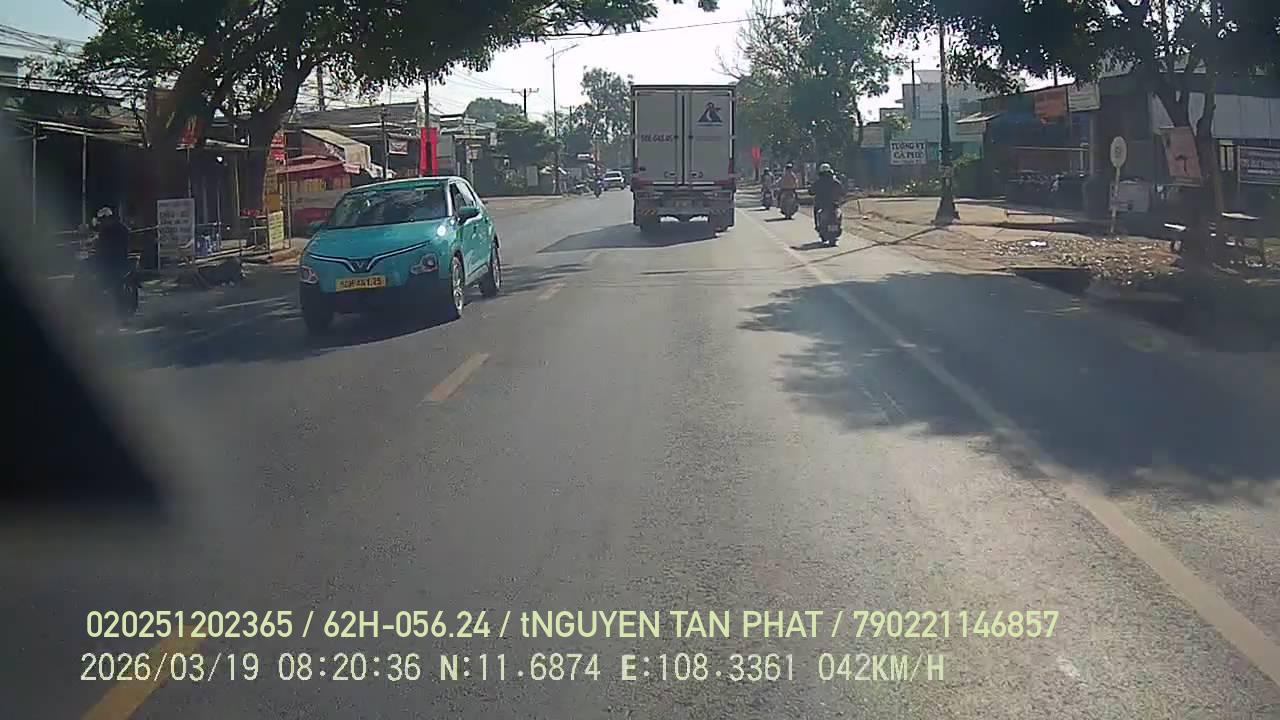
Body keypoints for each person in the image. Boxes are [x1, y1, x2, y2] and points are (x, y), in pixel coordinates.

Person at [92, 207, 130, 283]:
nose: (101, 223)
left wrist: (96, 245)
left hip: (110, 261)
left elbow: (103, 247)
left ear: (106, 218)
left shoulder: (107, 230)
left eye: (101, 220)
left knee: (87, 264)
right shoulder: (123, 227)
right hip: (121, 259)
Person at [811, 163, 845, 230]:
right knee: (838, 211)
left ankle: (818, 226)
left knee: (816, 210)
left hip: (822, 203)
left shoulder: (818, 181)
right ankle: (838, 225)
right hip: (833, 203)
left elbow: (812, 191)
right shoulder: (835, 181)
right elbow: (842, 190)